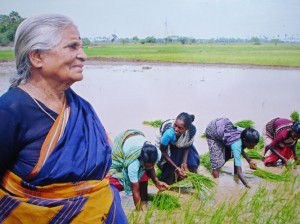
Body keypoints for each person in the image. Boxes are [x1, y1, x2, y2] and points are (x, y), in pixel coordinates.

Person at [0, 14, 127, 223]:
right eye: (72, 46)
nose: (83, 55)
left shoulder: (82, 108)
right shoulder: (10, 112)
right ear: (37, 57)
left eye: (81, 46)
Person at [108, 129, 168, 211]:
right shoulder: (133, 164)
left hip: (137, 137)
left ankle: (144, 203)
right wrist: (139, 213)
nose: (149, 167)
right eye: (146, 166)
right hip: (122, 141)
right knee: (121, 177)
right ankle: (141, 207)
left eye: (152, 165)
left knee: (144, 177)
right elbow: (135, 191)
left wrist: (156, 181)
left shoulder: (157, 153)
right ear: (141, 160)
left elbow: (150, 168)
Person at [205, 118, 260, 188]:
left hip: (224, 126)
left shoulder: (246, 133)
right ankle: (216, 184)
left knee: (232, 152)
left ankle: (234, 174)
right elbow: (240, 173)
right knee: (215, 163)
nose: (253, 147)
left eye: (254, 145)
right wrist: (248, 185)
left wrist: (249, 161)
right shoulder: (237, 144)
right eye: (251, 145)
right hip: (213, 130)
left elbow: (240, 148)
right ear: (244, 140)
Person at [155, 112, 200, 185]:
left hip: (182, 144)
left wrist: (184, 163)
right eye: (175, 125)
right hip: (166, 147)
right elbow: (163, 151)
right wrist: (176, 167)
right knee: (169, 176)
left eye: (180, 128)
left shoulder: (191, 131)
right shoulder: (168, 132)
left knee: (191, 166)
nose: (176, 129)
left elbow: (187, 146)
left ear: (186, 129)